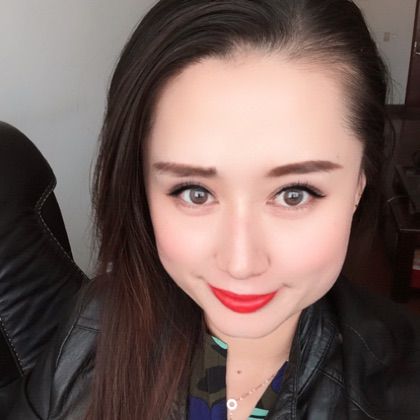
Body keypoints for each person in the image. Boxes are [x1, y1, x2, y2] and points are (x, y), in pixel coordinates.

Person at [7, 0, 420, 419]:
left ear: (360, 182)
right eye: (195, 193)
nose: (240, 264)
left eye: (294, 194)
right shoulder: (94, 324)